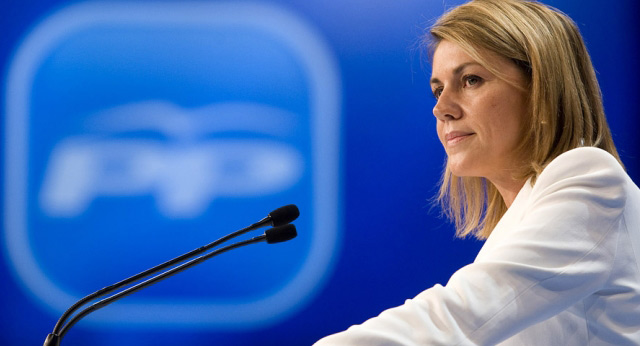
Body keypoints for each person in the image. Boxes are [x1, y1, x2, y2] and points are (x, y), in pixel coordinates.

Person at [314, 0, 640, 344]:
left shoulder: (590, 177)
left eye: (470, 80)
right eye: (438, 90)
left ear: (542, 88)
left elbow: (456, 320)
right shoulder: (516, 225)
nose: (442, 109)